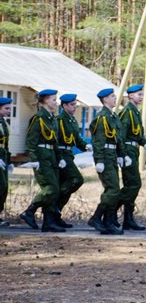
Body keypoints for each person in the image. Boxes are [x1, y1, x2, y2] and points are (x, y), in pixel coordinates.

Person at [19, 89, 64, 232]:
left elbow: (55, 141)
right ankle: (29, 211)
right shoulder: (38, 118)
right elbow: (31, 141)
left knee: (54, 189)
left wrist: (60, 158)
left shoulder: (52, 118)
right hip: (42, 156)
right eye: (53, 100)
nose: (55, 102)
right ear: (45, 100)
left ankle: (48, 222)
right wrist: (34, 159)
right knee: (51, 189)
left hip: (51, 156)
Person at [87, 88, 130, 235]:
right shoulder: (102, 118)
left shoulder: (113, 117)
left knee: (114, 190)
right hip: (104, 156)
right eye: (112, 96)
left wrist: (122, 155)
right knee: (113, 190)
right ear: (105, 99)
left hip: (112, 155)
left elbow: (118, 139)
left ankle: (108, 221)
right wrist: (99, 160)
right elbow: (98, 141)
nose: (114, 98)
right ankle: (97, 217)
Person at [118, 84, 146, 231]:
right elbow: (121, 135)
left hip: (134, 150)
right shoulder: (127, 112)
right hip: (128, 150)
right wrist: (123, 155)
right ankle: (109, 210)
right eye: (139, 94)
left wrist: (144, 143)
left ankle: (128, 218)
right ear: (130, 96)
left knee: (133, 185)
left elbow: (138, 133)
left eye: (142, 94)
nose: (141, 97)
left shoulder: (135, 112)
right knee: (133, 184)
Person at [55, 93, 91, 228]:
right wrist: (58, 157)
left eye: (76, 104)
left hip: (69, 154)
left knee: (67, 183)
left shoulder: (72, 120)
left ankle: (56, 212)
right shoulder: (59, 120)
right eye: (72, 105)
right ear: (64, 106)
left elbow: (76, 138)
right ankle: (54, 204)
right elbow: (55, 140)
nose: (75, 107)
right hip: (62, 154)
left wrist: (85, 146)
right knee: (76, 179)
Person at [0, 97, 13, 227]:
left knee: (4, 188)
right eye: (6, 108)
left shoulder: (3, 122)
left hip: (3, 156)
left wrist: (9, 161)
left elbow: (6, 144)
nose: (9, 111)